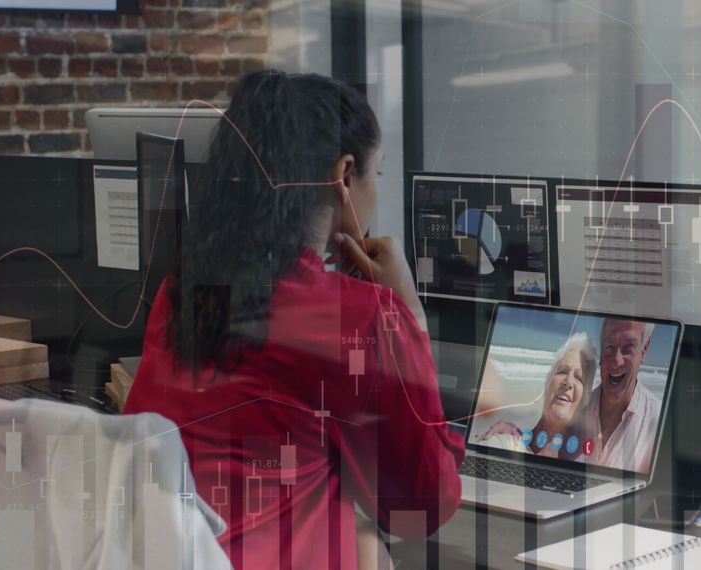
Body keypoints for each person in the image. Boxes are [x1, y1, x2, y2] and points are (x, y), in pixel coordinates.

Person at [123, 70, 464, 570]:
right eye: (378, 173)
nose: (377, 189)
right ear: (344, 176)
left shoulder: (181, 296)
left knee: (364, 535)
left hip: (174, 556)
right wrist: (407, 314)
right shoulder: (358, 318)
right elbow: (424, 505)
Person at [478, 333, 597, 458]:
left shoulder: (585, 461)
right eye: (562, 371)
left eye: (578, 378)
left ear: (585, 398)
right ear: (547, 384)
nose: (568, 382)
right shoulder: (506, 444)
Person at [578, 318, 661, 472]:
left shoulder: (660, 424)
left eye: (628, 347)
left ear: (644, 349)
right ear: (601, 349)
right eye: (609, 346)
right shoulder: (576, 410)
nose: (616, 361)